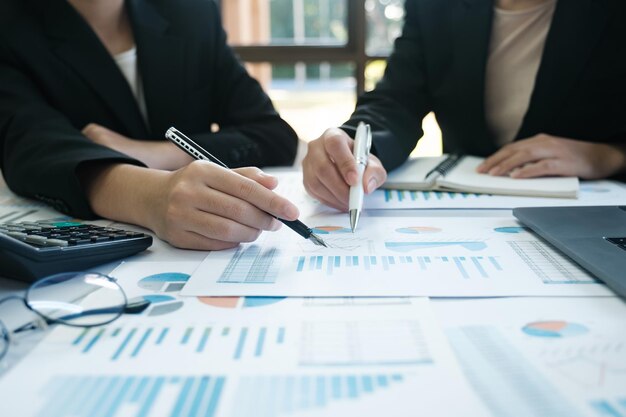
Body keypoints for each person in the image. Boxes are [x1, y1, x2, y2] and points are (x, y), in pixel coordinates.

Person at [0, 0, 301, 250]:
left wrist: (155, 154)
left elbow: (274, 136)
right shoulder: (11, 27)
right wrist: (151, 196)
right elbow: (29, 145)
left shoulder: (189, 11)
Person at [303, 0, 626, 211]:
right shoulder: (435, 8)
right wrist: (351, 143)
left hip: (593, 212)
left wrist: (608, 156)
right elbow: (396, 101)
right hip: (469, 212)